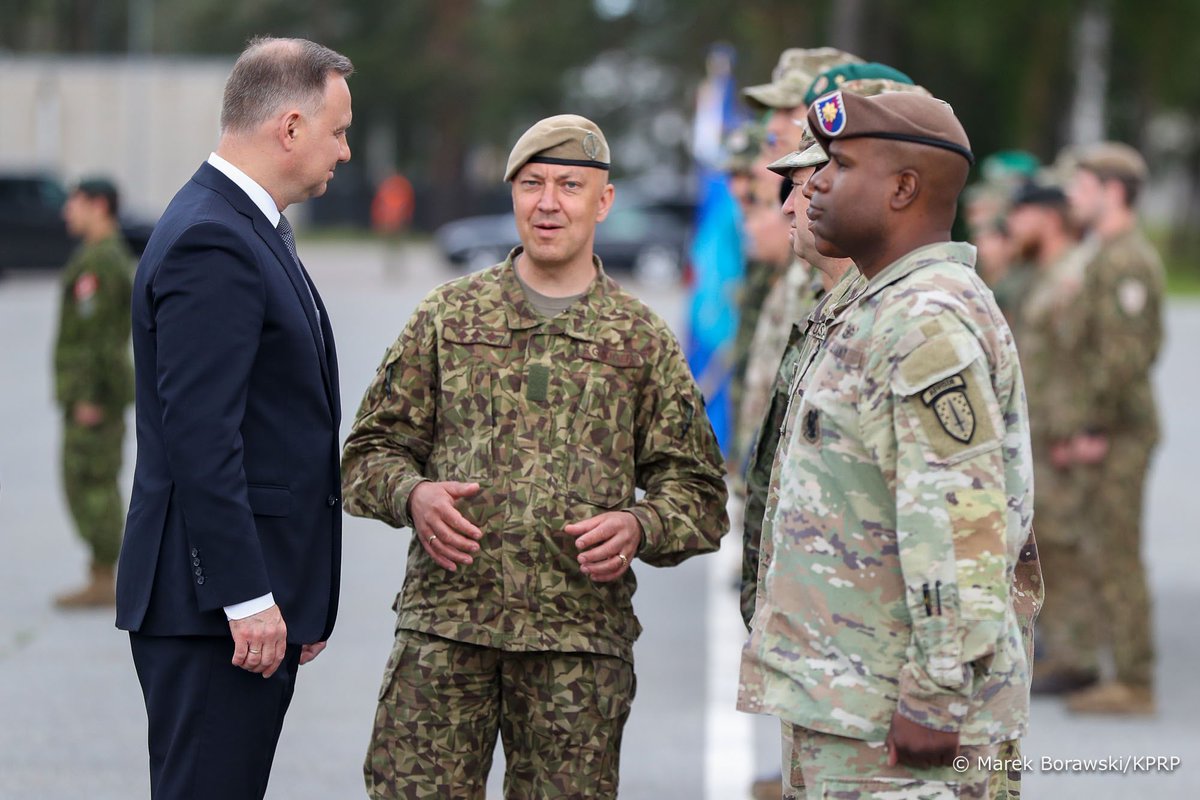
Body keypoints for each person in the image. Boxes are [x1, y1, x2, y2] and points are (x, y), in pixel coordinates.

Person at [341, 114, 728, 799]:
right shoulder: (448, 317)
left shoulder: (639, 341)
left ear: (602, 202)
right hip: (445, 633)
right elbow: (369, 453)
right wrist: (411, 494)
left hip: (577, 649)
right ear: (513, 195)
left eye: (569, 185)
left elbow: (698, 493)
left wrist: (642, 526)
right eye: (531, 184)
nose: (548, 202)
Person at [739, 90, 1035, 797]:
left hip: (897, 727)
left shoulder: (924, 320)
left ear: (902, 188)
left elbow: (959, 516)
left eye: (837, 165)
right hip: (851, 705)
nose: (811, 184)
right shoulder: (879, 303)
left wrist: (935, 693)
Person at [115, 37, 352, 799]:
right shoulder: (214, 238)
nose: (344, 152)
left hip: (233, 603)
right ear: (289, 128)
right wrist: (247, 597)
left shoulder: (242, 224)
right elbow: (201, 437)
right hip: (210, 611)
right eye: (338, 131)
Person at [1061, 142, 1163, 716]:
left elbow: (1126, 357)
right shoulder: (1106, 254)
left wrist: (1094, 423)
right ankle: (1118, 667)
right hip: (1106, 424)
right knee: (1102, 546)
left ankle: (1134, 678)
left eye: (1084, 187)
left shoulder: (1127, 261)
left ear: (1113, 192)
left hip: (1120, 430)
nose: (1075, 197)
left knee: (1118, 550)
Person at [1006, 180, 1100, 695]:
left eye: (1022, 214)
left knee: (1066, 541)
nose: (1013, 226)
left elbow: (1086, 360)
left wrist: (1082, 427)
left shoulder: (1072, 276)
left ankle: (1077, 654)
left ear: (1047, 217)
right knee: (1050, 538)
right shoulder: (1044, 274)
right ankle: (1062, 648)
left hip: (1064, 430)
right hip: (1042, 426)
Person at [52, 177, 135, 608]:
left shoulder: (102, 262)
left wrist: (91, 395)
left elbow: (99, 338)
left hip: (94, 397)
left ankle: (105, 575)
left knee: (93, 480)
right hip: (89, 392)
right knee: (81, 478)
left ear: (99, 205)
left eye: (76, 203)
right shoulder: (96, 256)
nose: (69, 212)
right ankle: (102, 570)